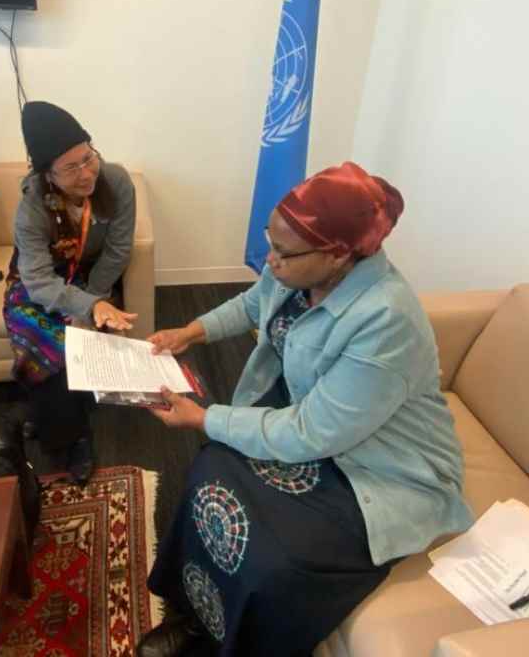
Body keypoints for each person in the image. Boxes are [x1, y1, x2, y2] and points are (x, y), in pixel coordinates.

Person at [137, 163, 473, 657]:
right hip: (319, 429)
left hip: (382, 469)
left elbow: (313, 433)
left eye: (283, 251)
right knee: (212, 468)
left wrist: (204, 416)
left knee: (274, 559)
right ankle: (197, 615)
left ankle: (239, 643)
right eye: (269, 241)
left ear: (339, 254)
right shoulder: (295, 268)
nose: (270, 259)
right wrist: (190, 332)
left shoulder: (386, 319)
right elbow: (252, 304)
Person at [3, 101, 136, 484]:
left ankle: (52, 420)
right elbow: (38, 280)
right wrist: (86, 306)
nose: (86, 173)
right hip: (40, 282)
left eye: (88, 157)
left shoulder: (116, 181)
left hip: (92, 278)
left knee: (79, 331)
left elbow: (118, 250)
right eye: (71, 168)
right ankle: (71, 435)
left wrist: (94, 300)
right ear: (47, 174)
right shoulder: (32, 207)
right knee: (42, 337)